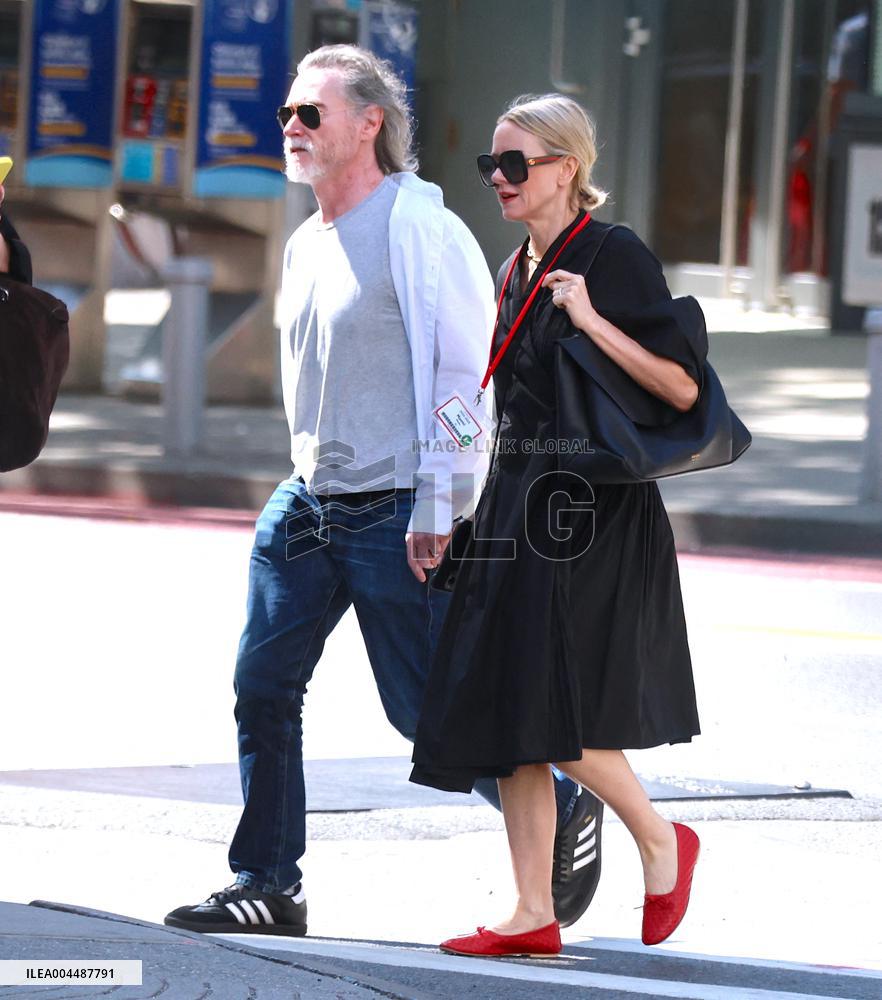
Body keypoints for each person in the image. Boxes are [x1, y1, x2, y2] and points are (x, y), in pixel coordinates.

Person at [165, 48, 602, 938]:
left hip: (397, 506)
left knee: (423, 710)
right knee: (262, 683)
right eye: (287, 113)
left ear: (369, 123)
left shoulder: (419, 227)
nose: (291, 126)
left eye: (309, 114)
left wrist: (440, 501)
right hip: (310, 501)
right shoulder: (304, 241)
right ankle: (267, 882)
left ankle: (561, 802)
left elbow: (458, 377)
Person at [410, 93, 703, 958]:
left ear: (567, 169)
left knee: (546, 702)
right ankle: (532, 910)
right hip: (516, 499)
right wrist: (439, 501)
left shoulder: (612, 258)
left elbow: (682, 389)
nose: (498, 180)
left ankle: (659, 838)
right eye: (489, 166)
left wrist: (592, 321)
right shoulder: (514, 268)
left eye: (514, 165)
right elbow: (493, 403)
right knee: (507, 708)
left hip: (592, 510)